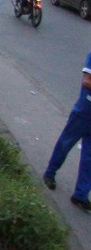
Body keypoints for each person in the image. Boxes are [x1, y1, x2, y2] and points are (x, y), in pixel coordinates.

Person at [41, 52, 91, 211]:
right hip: (84, 111)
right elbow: (87, 82)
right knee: (65, 143)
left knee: (90, 157)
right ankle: (50, 173)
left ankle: (81, 194)